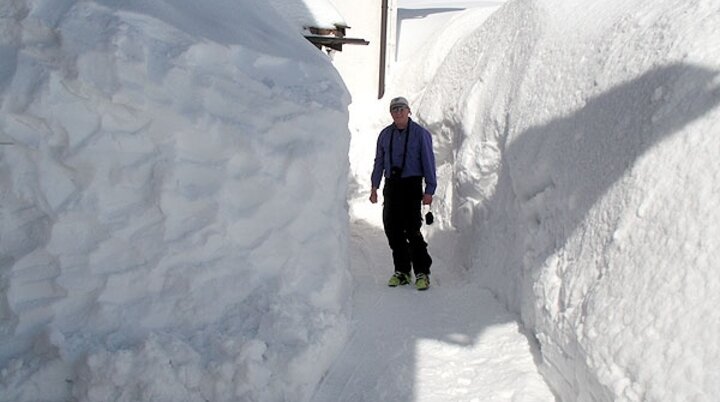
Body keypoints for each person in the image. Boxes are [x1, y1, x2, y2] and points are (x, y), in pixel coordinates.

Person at [370, 96, 437, 290]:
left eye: (401, 109)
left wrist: (429, 189)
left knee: (412, 229)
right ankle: (402, 270)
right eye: (394, 109)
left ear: (409, 111)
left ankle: (422, 271)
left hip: (412, 185)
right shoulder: (385, 135)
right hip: (392, 185)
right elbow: (379, 161)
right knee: (392, 228)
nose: (398, 112)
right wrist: (374, 186)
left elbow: (428, 162)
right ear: (391, 113)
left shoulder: (420, 134)